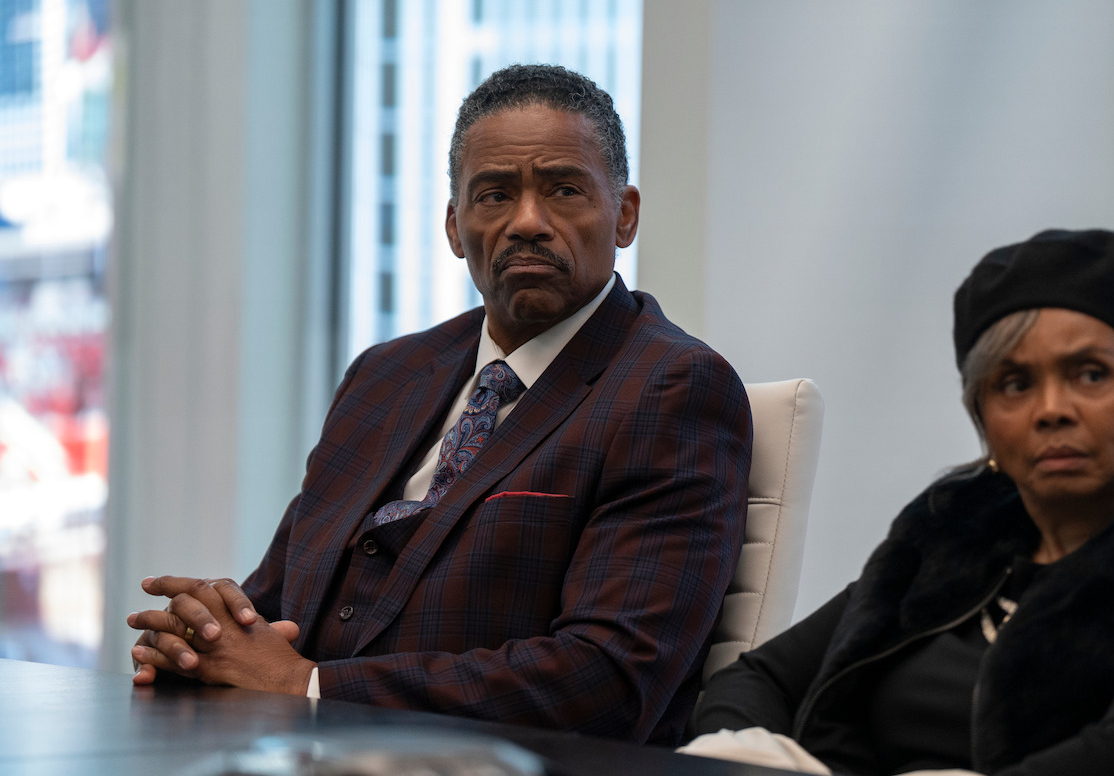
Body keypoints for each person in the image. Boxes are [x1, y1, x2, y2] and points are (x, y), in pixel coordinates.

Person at [126, 64, 751, 746]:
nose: (528, 222)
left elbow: (605, 679)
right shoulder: (386, 374)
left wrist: (307, 686)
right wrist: (208, 636)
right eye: (494, 195)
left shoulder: (675, 387)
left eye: (565, 190)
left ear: (624, 214)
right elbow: (278, 602)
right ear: (456, 227)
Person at [686, 228, 1114, 775]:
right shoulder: (948, 539)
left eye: (1090, 374)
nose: (1052, 409)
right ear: (982, 417)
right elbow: (755, 679)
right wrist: (751, 758)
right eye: (1014, 384)